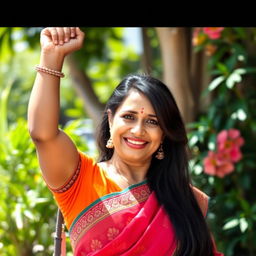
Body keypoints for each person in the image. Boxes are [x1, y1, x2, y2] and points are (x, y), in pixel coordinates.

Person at [28, 27, 223, 256]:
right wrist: (52, 56)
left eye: (152, 122)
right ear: (110, 119)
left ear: (164, 133)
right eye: (129, 117)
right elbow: (43, 134)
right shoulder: (80, 179)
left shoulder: (187, 201)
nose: (138, 130)